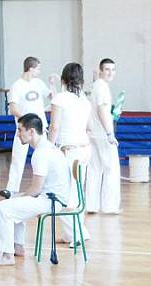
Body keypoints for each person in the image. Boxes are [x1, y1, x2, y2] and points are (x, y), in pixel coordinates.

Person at [0, 113, 71, 266]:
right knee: (15, 203)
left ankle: (6, 255)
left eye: (20, 130)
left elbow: (36, 189)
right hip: (55, 198)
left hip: (51, 201)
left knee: (2, 208)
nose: (17, 135)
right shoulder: (49, 148)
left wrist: (19, 197)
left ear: (31, 131)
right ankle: (17, 246)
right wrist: (19, 197)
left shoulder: (41, 153)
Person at [48, 62, 92, 247]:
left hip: (69, 151)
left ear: (64, 79)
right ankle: (74, 232)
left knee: (64, 194)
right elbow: (89, 127)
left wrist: (49, 148)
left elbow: (54, 126)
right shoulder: (84, 100)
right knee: (78, 191)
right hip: (84, 148)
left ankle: (77, 234)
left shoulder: (60, 98)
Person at [1, 56, 54, 197]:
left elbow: (51, 96)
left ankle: (48, 187)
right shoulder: (17, 86)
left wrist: (52, 84)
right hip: (24, 129)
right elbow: (13, 108)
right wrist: (25, 120)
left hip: (40, 128)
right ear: (31, 68)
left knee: (45, 156)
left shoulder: (38, 83)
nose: (39, 71)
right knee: (18, 158)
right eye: (38, 68)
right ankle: (11, 189)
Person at [86, 58, 121, 214]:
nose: (110, 73)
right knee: (111, 170)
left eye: (113, 70)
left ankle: (91, 205)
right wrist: (109, 133)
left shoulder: (95, 86)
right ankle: (110, 206)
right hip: (102, 134)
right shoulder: (103, 88)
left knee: (94, 170)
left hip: (93, 133)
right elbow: (101, 110)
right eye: (107, 69)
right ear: (101, 70)